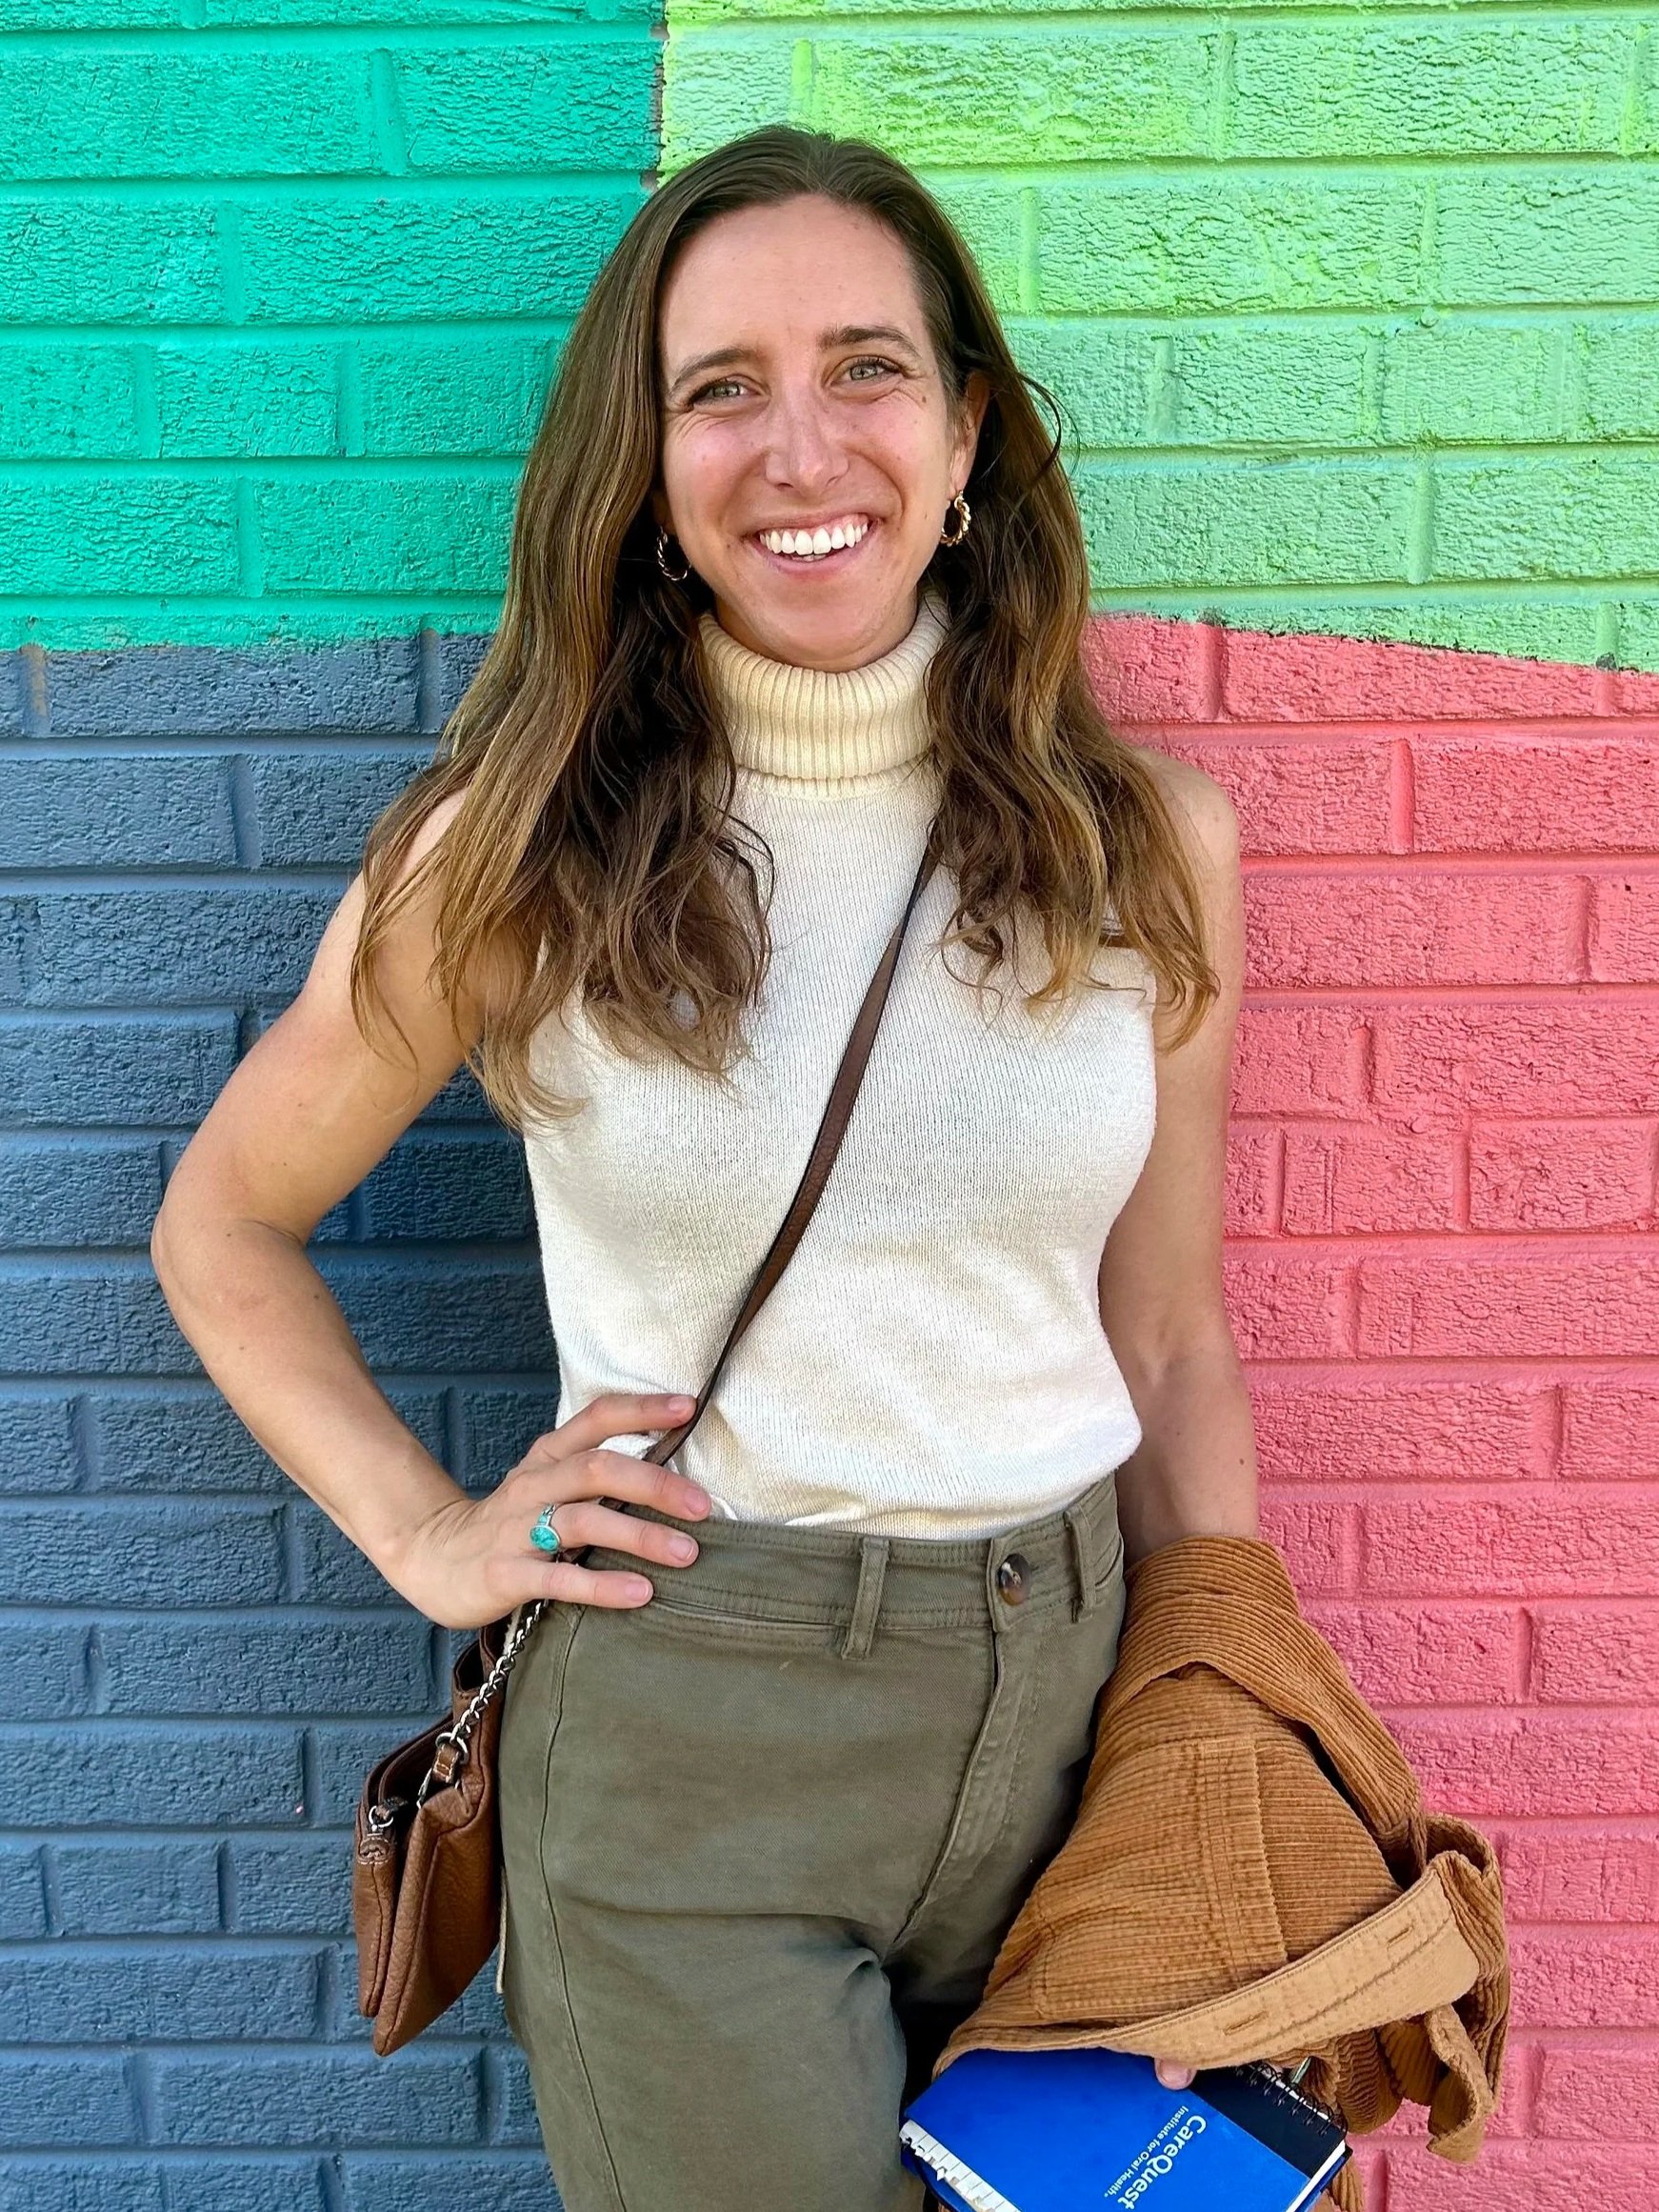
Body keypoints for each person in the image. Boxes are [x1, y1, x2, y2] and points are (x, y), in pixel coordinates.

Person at [151, 125, 1254, 2212]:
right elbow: (224, 1221)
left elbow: (1171, 1328)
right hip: (694, 1727)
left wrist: (1224, 1675)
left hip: (1084, 1711)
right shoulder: (511, 852)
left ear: (964, 438)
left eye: (864, 369)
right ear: (646, 474)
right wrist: (428, 1536)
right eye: (718, 389)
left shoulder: (1145, 846)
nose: (799, 446)